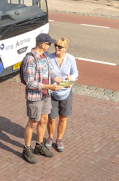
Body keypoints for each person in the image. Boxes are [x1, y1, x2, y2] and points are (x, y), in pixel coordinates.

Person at [21, 33, 62, 164]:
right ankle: (26, 149)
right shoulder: (30, 59)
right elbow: (30, 82)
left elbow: (48, 72)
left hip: (46, 95)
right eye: (49, 44)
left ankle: (39, 145)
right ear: (42, 44)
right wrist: (49, 86)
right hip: (35, 96)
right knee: (32, 122)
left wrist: (57, 78)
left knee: (44, 120)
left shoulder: (44, 57)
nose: (51, 46)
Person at [45, 37, 78, 152]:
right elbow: (46, 73)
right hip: (53, 92)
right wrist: (54, 80)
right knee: (52, 118)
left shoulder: (70, 59)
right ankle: (50, 138)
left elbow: (75, 73)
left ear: (66, 48)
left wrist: (71, 79)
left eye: (60, 47)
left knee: (63, 118)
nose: (57, 48)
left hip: (66, 92)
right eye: (56, 46)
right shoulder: (49, 58)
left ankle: (59, 139)